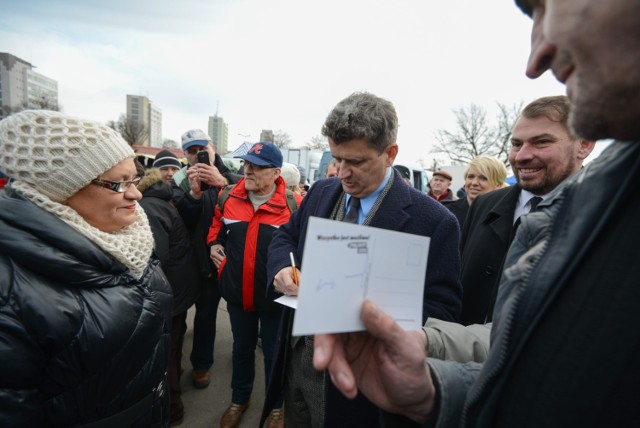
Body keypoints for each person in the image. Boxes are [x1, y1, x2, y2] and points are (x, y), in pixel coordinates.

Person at [313, 0, 640, 426]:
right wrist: (438, 388)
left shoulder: (440, 219)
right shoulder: (588, 200)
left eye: (546, 7)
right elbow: (520, 340)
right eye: (516, 144)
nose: (536, 54)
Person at [262, 92, 462, 427]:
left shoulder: (435, 222)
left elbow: (443, 310)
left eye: (356, 162)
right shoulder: (323, 193)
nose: (343, 173)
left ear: (390, 154)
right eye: (338, 159)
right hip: (295, 361)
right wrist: (282, 267)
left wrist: (371, 313)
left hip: (359, 383)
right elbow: (286, 236)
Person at [0, 110, 172, 426]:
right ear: (60, 191)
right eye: (119, 184)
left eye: (134, 177)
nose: (136, 193)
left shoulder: (128, 235)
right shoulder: (10, 290)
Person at [459, 95, 594, 325]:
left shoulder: (604, 218)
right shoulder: (484, 205)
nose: (521, 156)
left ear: (583, 145)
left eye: (541, 142)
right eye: (516, 144)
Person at [208, 142, 295, 428]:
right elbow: (217, 228)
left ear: (276, 173)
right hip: (236, 294)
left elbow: (302, 246)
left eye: (256, 167)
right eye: (246, 164)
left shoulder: (294, 205)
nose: (248, 170)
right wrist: (214, 244)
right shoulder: (228, 197)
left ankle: (276, 407)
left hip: (275, 299)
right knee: (241, 350)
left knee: (274, 354)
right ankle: (239, 399)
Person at [171, 129, 240, 389]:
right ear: (185, 154)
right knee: (205, 315)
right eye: (191, 150)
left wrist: (222, 182)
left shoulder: (234, 176)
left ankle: (241, 352)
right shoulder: (181, 182)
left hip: (232, 259)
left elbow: (248, 204)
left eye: (201, 148)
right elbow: (183, 222)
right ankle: (201, 365)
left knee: (239, 312)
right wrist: (195, 194)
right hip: (201, 260)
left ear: (213, 147)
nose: (196, 154)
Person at [138, 168, 202, 425]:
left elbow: (156, 256)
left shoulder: (150, 206)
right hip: (181, 283)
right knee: (174, 343)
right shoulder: (162, 199)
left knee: (168, 349)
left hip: (172, 288)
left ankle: (174, 405)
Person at [443, 156, 507, 230]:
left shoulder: (504, 218)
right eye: (471, 177)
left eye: (483, 178)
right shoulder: (446, 211)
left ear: (498, 185)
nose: (474, 183)